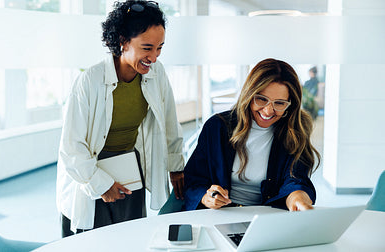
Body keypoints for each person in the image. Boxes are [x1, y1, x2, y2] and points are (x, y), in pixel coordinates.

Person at [56, 0, 185, 237]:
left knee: (130, 238)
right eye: (147, 48)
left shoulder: (157, 74)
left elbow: (169, 122)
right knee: (91, 241)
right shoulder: (90, 81)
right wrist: (101, 185)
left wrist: (176, 166)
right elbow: (71, 147)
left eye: (159, 48)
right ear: (122, 41)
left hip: (128, 167)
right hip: (90, 170)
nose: (154, 57)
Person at [184, 58, 320, 212]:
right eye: (261, 99)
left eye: (280, 103)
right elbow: (194, 180)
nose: (268, 111)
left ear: (290, 105)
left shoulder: (295, 132)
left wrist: (297, 197)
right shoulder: (217, 127)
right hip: (219, 214)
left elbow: (295, 179)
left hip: (264, 217)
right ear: (249, 95)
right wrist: (207, 197)